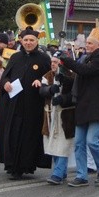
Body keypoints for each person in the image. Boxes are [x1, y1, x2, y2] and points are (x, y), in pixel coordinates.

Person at [57, 22, 99, 187]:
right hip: (82, 105)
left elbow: (85, 71)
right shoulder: (86, 58)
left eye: (90, 43)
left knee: (92, 141)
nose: (86, 45)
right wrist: (64, 76)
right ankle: (82, 176)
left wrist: (67, 61)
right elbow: (80, 78)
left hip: (96, 107)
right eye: (87, 42)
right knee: (79, 142)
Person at [0, 27, 52, 180]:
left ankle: (27, 165)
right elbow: (6, 76)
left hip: (33, 104)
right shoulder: (15, 57)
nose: (28, 43)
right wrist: (5, 83)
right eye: (25, 40)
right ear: (21, 41)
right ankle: (12, 165)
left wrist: (40, 81)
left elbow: (49, 78)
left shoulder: (44, 59)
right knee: (13, 133)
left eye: (31, 40)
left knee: (29, 135)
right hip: (15, 103)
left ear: (37, 41)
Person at [40, 55, 76, 184]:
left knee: (62, 145)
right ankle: (62, 172)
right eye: (52, 62)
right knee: (52, 145)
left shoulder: (72, 76)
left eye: (56, 62)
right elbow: (42, 90)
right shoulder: (47, 76)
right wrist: (50, 89)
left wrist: (63, 99)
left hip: (65, 116)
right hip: (50, 116)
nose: (53, 64)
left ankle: (58, 174)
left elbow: (74, 94)